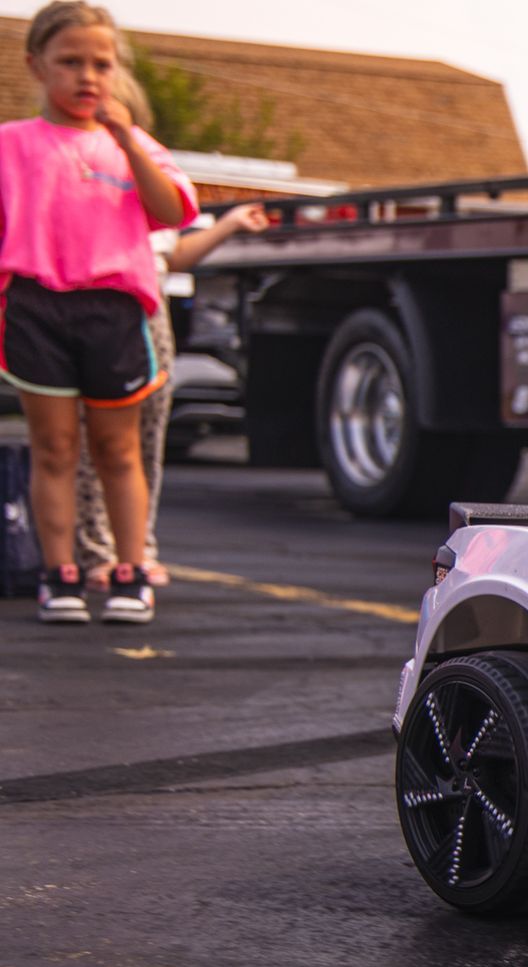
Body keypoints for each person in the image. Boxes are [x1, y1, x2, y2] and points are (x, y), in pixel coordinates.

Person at [1, 1, 197, 624]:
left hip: (113, 309)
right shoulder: (12, 145)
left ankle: (130, 571)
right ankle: (59, 573)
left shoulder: (134, 143)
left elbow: (170, 212)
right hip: (34, 306)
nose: (88, 76)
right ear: (36, 65)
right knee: (53, 447)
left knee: (119, 451)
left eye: (102, 64)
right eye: (70, 62)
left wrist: (124, 139)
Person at [74, 186, 270, 590]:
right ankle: (95, 551)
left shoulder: (142, 182)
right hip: (89, 302)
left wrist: (230, 223)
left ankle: (137, 550)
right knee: (89, 435)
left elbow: (173, 255)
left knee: (144, 437)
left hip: (146, 308)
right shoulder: (84, 180)